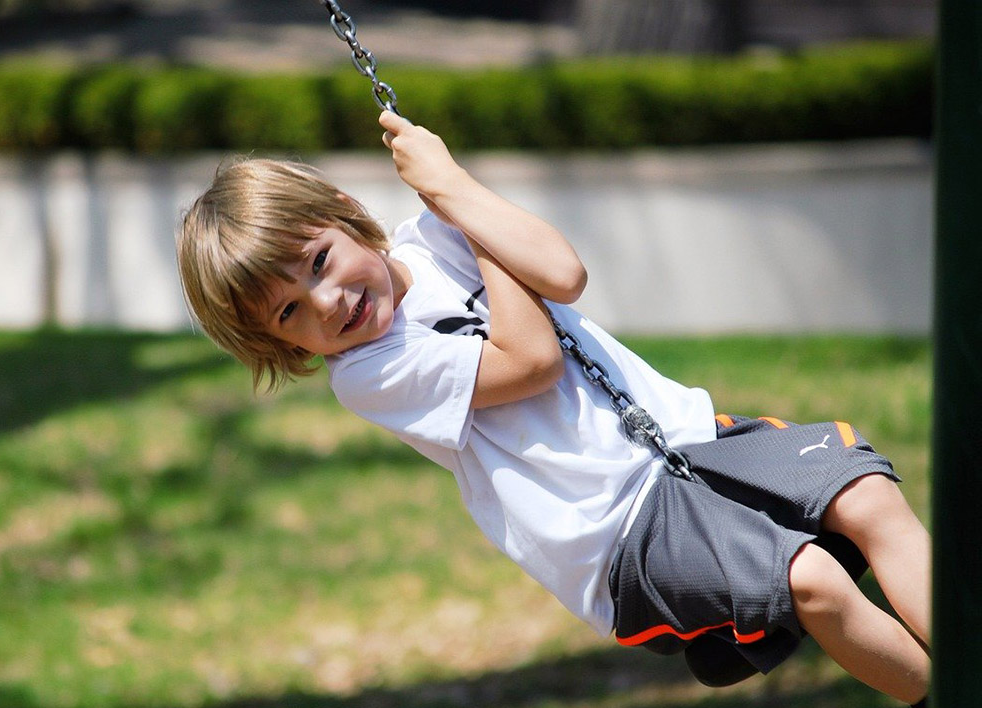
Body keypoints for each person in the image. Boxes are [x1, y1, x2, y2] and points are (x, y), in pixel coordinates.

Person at [175, 110, 931, 705]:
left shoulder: (433, 232)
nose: (328, 302)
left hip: (690, 441)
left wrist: (451, 189)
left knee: (864, 492)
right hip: (616, 533)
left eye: (319, 263)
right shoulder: (370, 371)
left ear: (344, 213)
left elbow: (563, 274)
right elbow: (530, 362)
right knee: (810, 580)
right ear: (284, 345)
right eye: (289, 313)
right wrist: (465, 216)